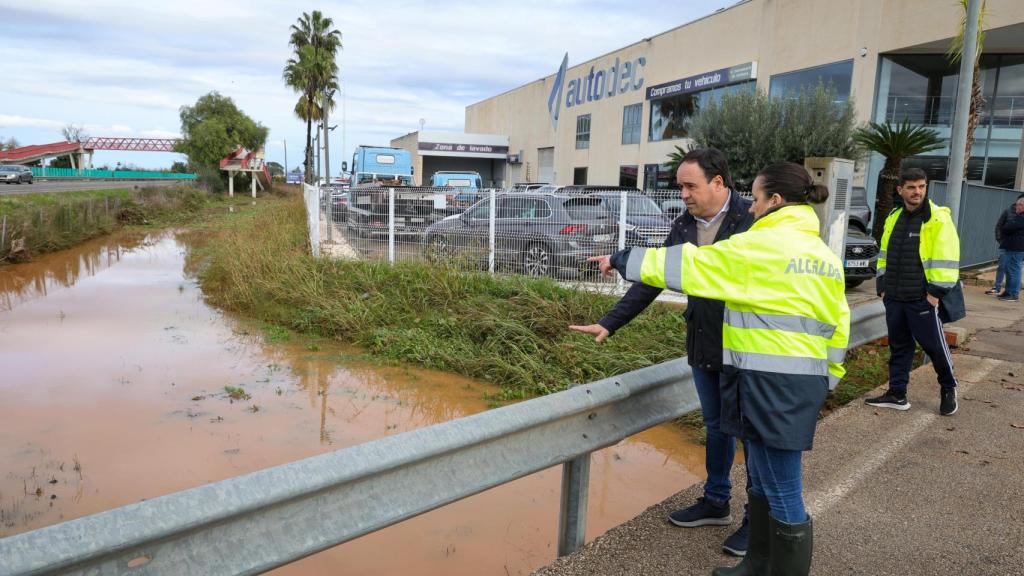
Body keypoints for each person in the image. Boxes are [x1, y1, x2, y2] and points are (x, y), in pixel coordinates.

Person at [592, 162, 850, 576]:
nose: (752, 208)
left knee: (784, 490)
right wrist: (829, 379)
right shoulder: (822, 256)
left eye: (759, 198)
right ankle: (758, 564)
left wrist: (621, 258)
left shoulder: (761, 247)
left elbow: (685, 267)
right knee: (765, 481)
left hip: (770, 382)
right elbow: (839, 323)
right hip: (793, 382)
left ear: (776, 201)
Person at [569, 148, 755, 556]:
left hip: (750, 347)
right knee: (716, 426)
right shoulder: (685, 225)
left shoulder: (752, 222)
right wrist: (610, 322)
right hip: (705, 340)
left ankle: (756, 522)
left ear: (719, 183)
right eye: (680, 187)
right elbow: (654, 278)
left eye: (691, 186)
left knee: (752, 433)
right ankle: (716, 500)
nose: (683, 194)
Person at [866, 168, 961, 415]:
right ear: (900, 190)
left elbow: (947, 259)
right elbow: (885, 255)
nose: (917, 191)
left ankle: (949, 387)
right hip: (894, 297)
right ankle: (897, 394)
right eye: (911, 187)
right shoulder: (893, 216)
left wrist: (935, 294)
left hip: (922, 299)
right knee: (899, 347)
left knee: (935, 347)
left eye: (921, 186)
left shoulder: (938, 218)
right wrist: (882, 287)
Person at [984, 197, 1017, 296]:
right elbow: (999, 226)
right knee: (1002, 266)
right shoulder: (1008, 211)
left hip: (1018, 246)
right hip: (1005, 244)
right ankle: (996, 287)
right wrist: (1000, 239)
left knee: (1013, 269)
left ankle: (1009, 290)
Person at [996, 195, 1024, 302]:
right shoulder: (1018, 216)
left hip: (1017, 248)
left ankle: (1013, 294)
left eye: (1019, 205)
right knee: (1009, 269)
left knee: (1014, 270)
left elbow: (1008, 228)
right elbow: (1006, 227)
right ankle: (1008, 291)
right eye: (1017, 204)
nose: (1017, 207)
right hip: (1012, 246)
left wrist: (1008, 227)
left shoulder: (1021, 218)